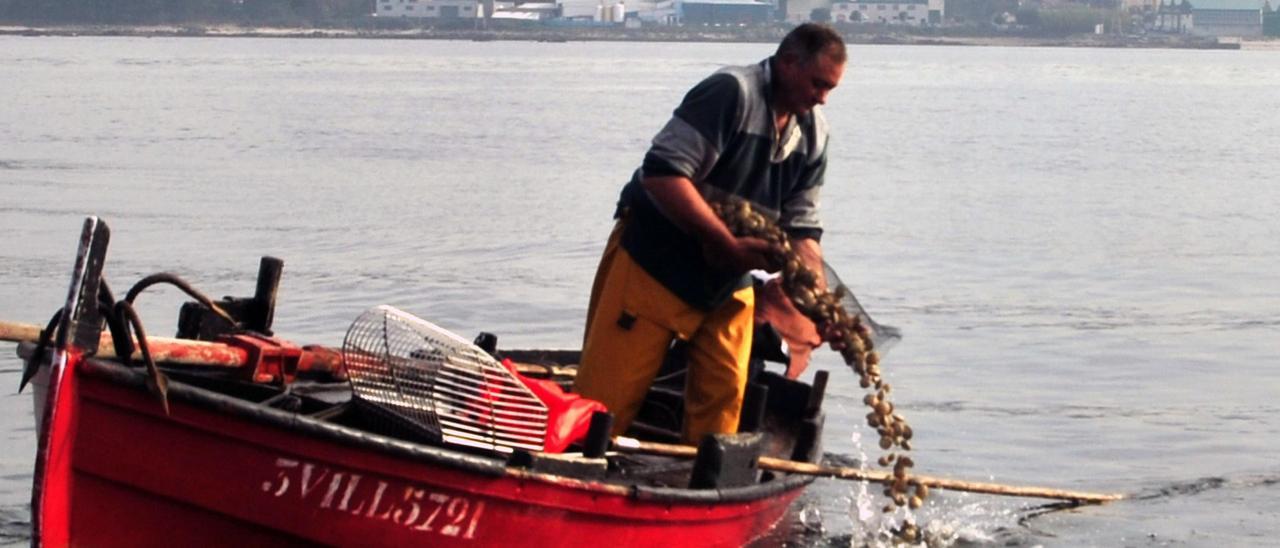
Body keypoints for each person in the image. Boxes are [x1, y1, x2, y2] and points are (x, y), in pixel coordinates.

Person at [573, 23, 847, 444]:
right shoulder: (731, 93)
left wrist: (820, 302)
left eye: (830, 89)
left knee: (724, 404)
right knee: (603, 405)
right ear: (789, 63)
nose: (822, 98)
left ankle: (700, 485)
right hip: (656, 257)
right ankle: (579, 472)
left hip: (726, 277)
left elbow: (803, 231)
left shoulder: (813, 133)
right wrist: (724, 242)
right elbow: (662, 173)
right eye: (817, 84)